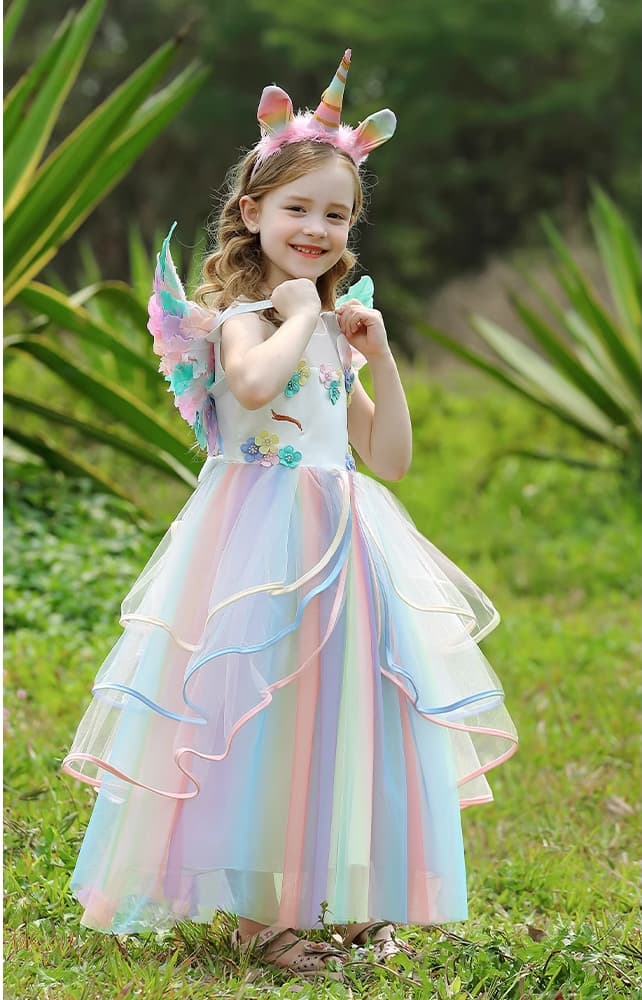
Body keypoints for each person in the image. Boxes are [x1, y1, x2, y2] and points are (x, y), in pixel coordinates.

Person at [61, 49, 518, 982]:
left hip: (345, 537)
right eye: (297, 208)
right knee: (254, 714)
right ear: (252, 213)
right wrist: (299, 314)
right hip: (253, 542)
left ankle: (347, 899)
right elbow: (251, 384)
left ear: (353, 224)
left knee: (345, 711)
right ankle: (257, 915)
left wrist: (377, 356)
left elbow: (387, 457)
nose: (316, 227)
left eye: (336, 213)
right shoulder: (242, 314)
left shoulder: (330, 328)